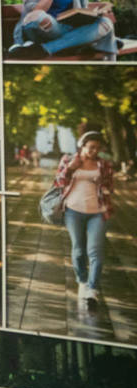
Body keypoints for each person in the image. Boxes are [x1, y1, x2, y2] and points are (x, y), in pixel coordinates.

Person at [54, 132, 114, 310]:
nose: (94, 151)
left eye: (98, 148)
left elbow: (111, 186)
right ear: (82, 145)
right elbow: (58, 182)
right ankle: (82, 280)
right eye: (91, 147)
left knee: (95, 250)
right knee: (79, 250)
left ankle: (93, 290)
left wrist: (103, 186)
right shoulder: (68, 159)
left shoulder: (104, 164)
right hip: (74, 211)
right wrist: (70, 168)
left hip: (97, 212)